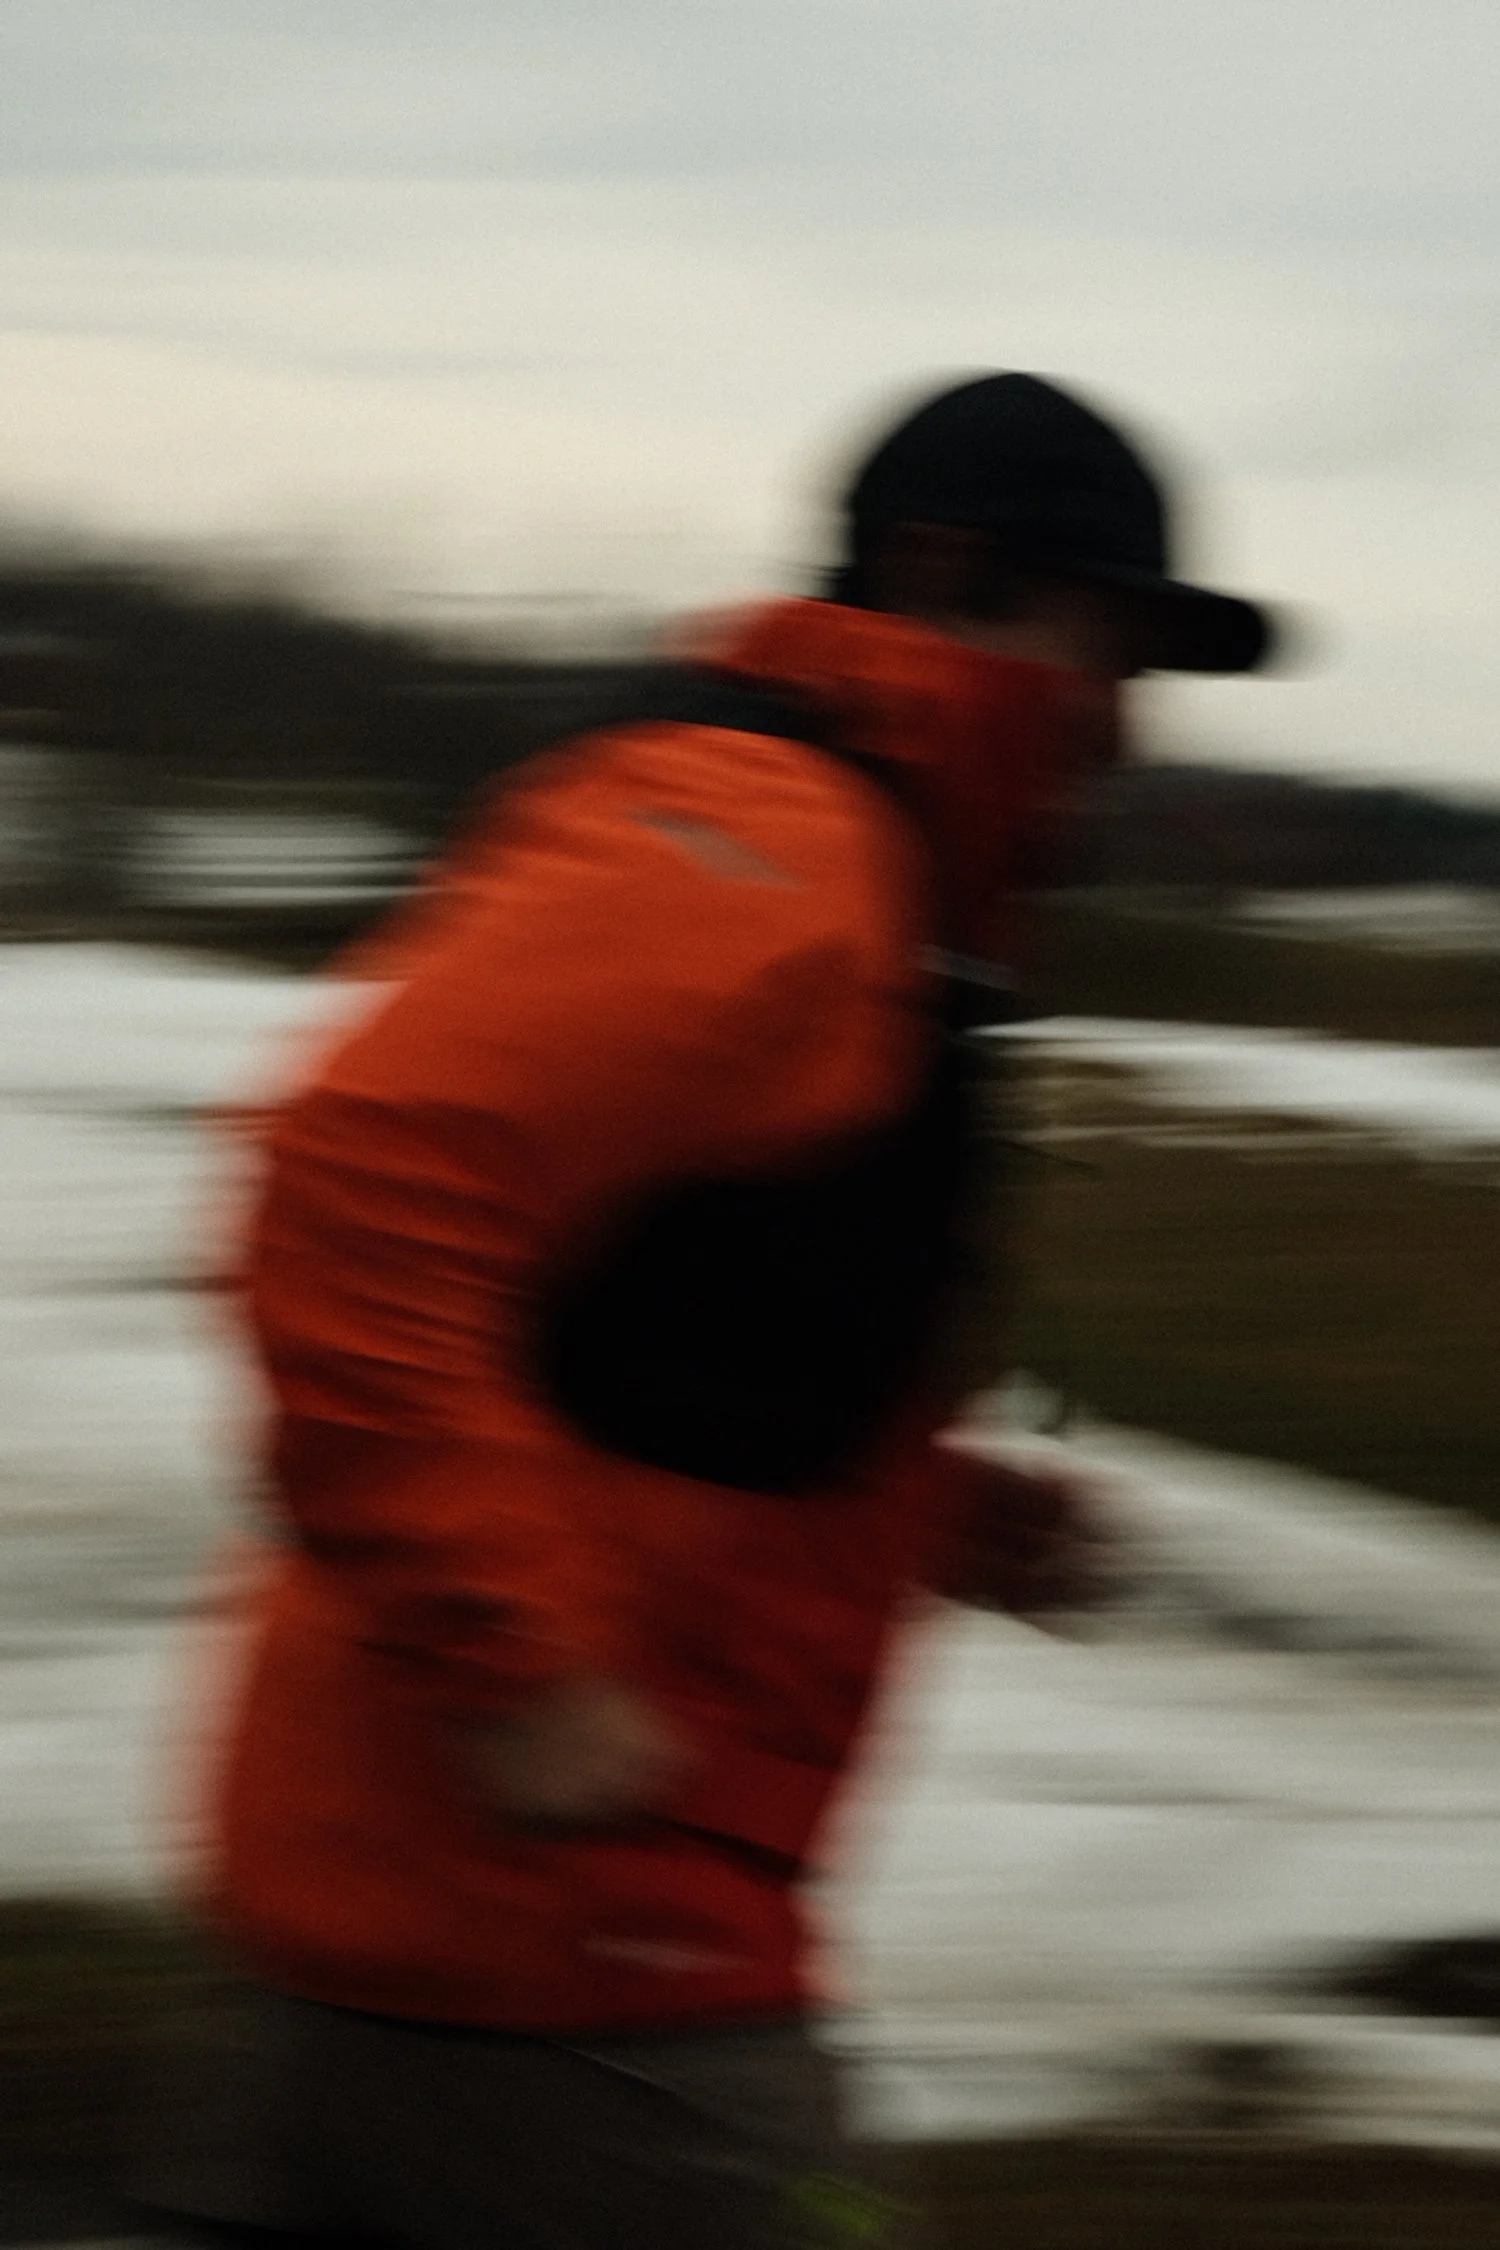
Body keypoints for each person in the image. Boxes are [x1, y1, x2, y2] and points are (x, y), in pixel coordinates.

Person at [137, 372, 1273, 2250]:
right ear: (948, 577)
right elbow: (359, 1185)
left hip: (453, 1917)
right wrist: (511, 1659)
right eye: (1107, 646)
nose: (1125, 719)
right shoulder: (762, 852)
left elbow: (657, 1347)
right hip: (574, 1950)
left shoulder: (860, 880)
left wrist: (925, 1507)